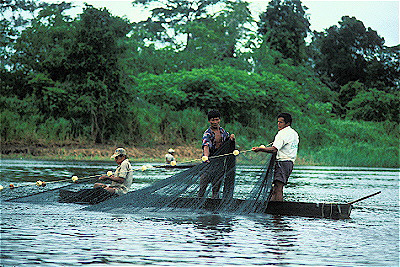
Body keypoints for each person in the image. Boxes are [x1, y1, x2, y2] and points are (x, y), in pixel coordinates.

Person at [252, 113, 299, 201]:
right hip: (289, 163)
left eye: (281, 122)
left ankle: (277, 212)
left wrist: (260, 149)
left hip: (283, 162)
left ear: (287, 123)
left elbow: (274, 149)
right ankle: (274, 210)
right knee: (276, 188)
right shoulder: (294, 133)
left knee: (278, 187)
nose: (278, 124)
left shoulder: (282, 133)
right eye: (278, 122)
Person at [198, 109, 235, 199]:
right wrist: (206, 156)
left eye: (217, 119)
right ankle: (198, 203)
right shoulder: (207, 133)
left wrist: (231, 138)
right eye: (213, 120)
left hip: (219, 164)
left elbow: (228, 142)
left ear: (219, 120)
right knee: (203, 186)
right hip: (208, 163)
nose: (215, 122)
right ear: (209, 121)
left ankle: (214, 205)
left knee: (216, 188)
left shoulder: (223, 132)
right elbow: (206, 146)